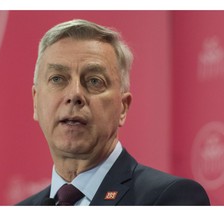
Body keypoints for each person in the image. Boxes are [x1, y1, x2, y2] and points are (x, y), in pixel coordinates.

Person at [17, 19, 210, 206]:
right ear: (36, 101)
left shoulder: (171, 199)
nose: (74, 94)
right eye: (58, 79)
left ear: (123, 107)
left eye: (94, 81)